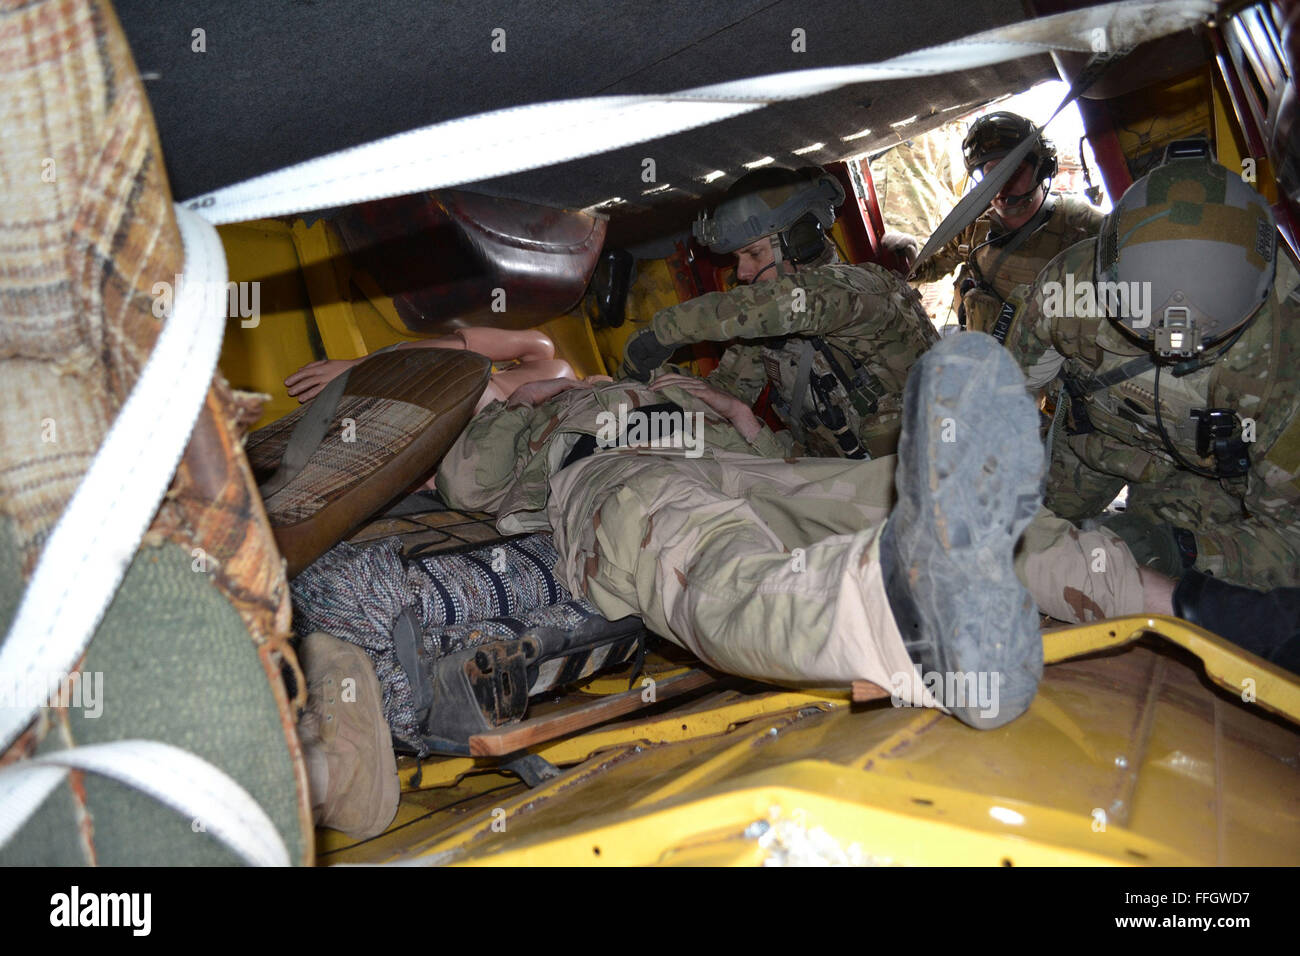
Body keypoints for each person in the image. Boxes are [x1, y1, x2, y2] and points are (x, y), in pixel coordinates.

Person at [1007, 147, 1300, 670]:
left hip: (1214, 485)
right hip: (1098, 441)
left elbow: (1288, 541)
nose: (1170, 345)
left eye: (1203, 333)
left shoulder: (1286, 362)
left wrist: (1178, 550)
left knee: (1148, 604)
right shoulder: (1067, 292)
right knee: (1040, 549)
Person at [620, 165, 939, 460]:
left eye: (754, 254)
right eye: (737, 258)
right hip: (843, 488)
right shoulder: (767, 329)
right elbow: (726, 391)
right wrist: (649, 384)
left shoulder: (862, 290)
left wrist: (663, 332)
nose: (742, 272)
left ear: (800, 241)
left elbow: (786, 304)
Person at [899, 112, 1103, 341]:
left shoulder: (1085, 227)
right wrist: (908, 257)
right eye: (992, 173)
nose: (1001, 185)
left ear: (1043, 169)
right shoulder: (974, 225)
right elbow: (935, 266)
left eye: (1014, 171)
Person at [284, 326, 576, 414]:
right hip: (454, 398)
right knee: (541, 348)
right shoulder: (555, 367)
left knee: (478, 386)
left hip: (465, 407)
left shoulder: (559, 370)